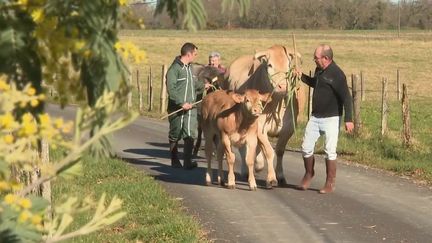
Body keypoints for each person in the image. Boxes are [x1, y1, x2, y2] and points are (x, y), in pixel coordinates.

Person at [296, 44, 354, 194]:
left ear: (326, 58)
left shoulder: (337, 74)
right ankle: (309, 174)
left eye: (316, 58)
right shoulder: (319, 70)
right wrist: (301, 76)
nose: (314, 60)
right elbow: (316, 84)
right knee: (306, 147)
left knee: (330, 150)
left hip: (332, 118)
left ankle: (329, 183)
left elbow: (346, 98)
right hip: (315, 117)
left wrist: (349, 119)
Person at [166, 42, 199, 169]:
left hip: (191, 108)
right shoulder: (174, 70)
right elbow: (171, 89)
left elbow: (195, 85)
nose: (195, 57)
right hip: (177, 109)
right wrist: (181, 103)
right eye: (194, 54)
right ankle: (174, 160)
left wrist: (204, 86)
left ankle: (187, 161)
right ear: (188, 54)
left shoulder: (191, 68)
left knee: (190, 133)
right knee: (175, 133)